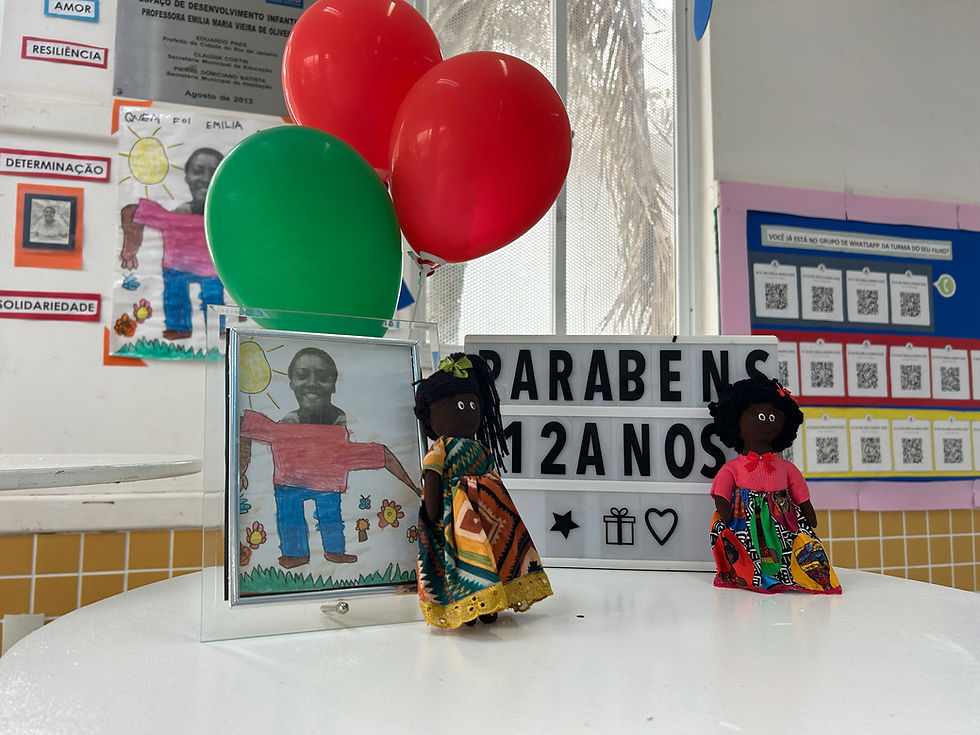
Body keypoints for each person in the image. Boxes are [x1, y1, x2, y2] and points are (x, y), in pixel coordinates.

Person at [240, 348, 419, 568]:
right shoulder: (286, 426)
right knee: (290, 516)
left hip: (326, 482)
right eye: (302, 375)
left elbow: (382, 454)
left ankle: (334, 550)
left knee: (330, 516)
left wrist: (414, 487)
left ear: (334, 384)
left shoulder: (336, 425)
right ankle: (296, 553)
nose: (312, 383)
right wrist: (241, 467)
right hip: (289, 482)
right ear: (291, 382)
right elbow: (248, 426)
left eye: (322, 376)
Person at [413, 353, 553, 629]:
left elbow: (492, 474)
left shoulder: (479, 449)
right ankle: (470, 604)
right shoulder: (440, 450)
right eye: (458, 405)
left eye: (471, 404)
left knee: (498, 553)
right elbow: (432, 479)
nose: (466, 411)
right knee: (466, 560)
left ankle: (492, 602)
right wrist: (431, 513)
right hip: (457, 520)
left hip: (492, 515)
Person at [707, 375, 841, 594]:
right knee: (748, 550)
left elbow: (800, 494)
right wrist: (725, 512)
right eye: (759, 415)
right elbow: (722, 491)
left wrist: (808, 513)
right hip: (744, 519)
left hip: (782, 518)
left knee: (789, 547)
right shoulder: (733, 468)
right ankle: (749, 576)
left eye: (774, 416)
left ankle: (787, 577)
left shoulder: (786, 468)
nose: (767, 420)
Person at [118, 147, 225, 340]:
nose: (205, 178)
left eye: (213, 171)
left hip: (212, 272)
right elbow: (133, 212)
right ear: (187, 177)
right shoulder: (175, 216)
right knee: (176, 299)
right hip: (176, 269)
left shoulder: (225, 219)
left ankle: (215, 330)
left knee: (213, 300)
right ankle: (178, 327)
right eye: (198, 170)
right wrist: (129, 250)